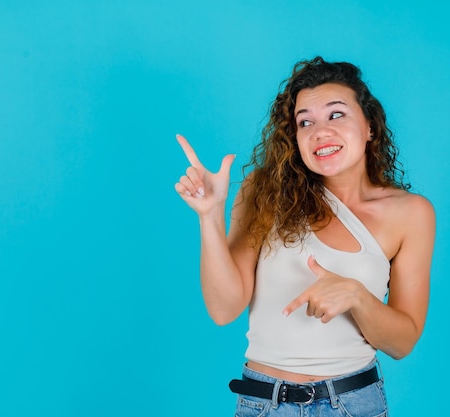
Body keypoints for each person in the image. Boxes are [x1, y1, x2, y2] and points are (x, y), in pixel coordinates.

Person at [174, 56, 435, 416]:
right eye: (305, 122)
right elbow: (223, 309)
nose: (319, 131)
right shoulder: (263, 190)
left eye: (336, 114)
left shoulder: (411, 213)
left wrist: (356, 296)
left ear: (370, 126)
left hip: (354, 404)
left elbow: (402, 341)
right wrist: (209, 217)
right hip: (264, 403)